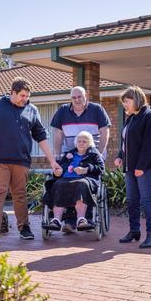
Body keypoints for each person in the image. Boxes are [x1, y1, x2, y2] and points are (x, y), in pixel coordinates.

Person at [0, 77, 61, 245]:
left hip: (21, 160)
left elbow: (40, 136)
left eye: (27, 96)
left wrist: (52, 161)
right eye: (22, 95)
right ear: (12, 92)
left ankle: (24, 228)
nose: (25, 99)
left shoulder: (32, 109)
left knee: (20, 195)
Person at [50, 86, 111, 232]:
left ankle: (85, 219)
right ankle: (70, 222)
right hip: (70, 156)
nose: (77, 100)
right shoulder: (63, 111)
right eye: (74, 97)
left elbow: (105, 132)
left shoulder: (97, 109)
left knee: (84, 183)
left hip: (91, 156)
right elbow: (58, 134)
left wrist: (100, 154)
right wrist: (58, 155)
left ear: (86, 96)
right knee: (66, 182)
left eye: (80, 96)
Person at [114, 86, 151, 249]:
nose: (124, 105)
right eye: (123, 102)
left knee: (147, 199)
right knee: (132, 200)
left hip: (148, 166)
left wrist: (141, 166)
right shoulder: (130, 118)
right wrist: (119, 156)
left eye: (127, 101)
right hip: (131, 166)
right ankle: (134, 231)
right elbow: (126, 141)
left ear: (136, 100)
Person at [42, 131, 104, 231]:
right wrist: (58, 172)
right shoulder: (69, 154)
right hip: (65, 179)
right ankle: (56, 220)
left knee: (81, 184)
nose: (81, 143)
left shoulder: (94, 154)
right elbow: (59, 168)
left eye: (84, 141)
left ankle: (81, 219)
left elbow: (101, 168)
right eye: (79, 141)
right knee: (57, 184)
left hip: (84, 179)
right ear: (76, 143)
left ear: (89, 143)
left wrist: (86, 169)